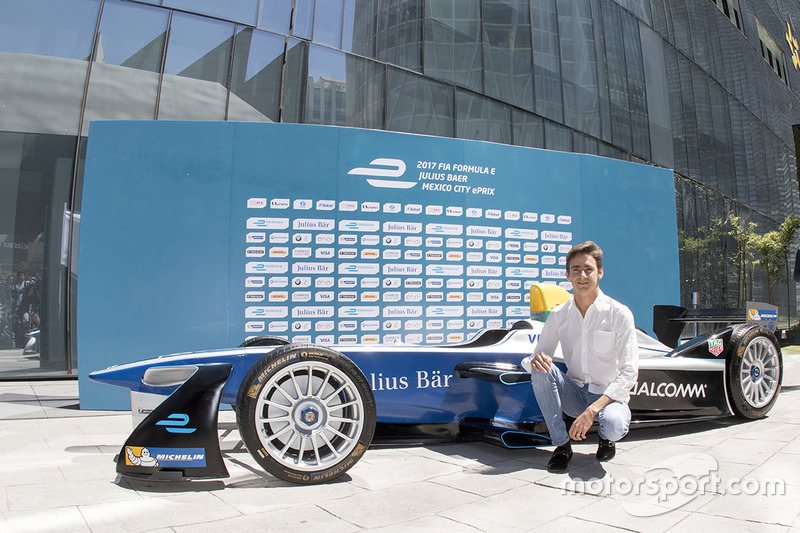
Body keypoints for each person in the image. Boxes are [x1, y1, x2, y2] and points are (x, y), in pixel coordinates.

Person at [523, 241, 638, 472]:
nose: (582, 275)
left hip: (608, 399)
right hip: (574, 393)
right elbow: (538, 355)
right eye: (576, 270)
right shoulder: (559, 314)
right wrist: (534, 360)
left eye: (588, 269)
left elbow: (629, 372)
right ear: (567, 274)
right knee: (540, 368)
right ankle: (562, 446)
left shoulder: (619, 313)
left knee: (614, 424)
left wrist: (593, 410)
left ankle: (606, 438)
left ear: (600, 273)